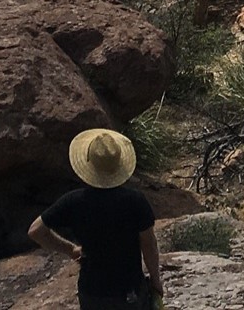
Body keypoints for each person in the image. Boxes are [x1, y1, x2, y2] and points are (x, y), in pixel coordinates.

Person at [29, 129, 163, 310]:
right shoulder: (135, 200)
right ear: (119, 165)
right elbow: (148, 243)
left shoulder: (73, 201)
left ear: (88, 163)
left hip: (92, 293)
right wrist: (155, 280)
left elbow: (36, 231)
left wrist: (70, 249)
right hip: (129, 290)